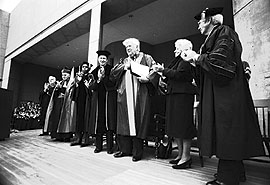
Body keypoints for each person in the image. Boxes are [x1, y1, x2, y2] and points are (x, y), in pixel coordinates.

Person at [181, 7, 265, 185]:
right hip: (222, 94)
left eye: (200, 21)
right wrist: (196, 63)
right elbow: (210, 67)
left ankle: (227, 179)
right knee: (228, 134)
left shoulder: (224, 32)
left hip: (226, 95)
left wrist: (196, 58)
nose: (198, 25)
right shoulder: (215, 36)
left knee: (227, 134)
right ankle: (236, 174)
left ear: (211, 20)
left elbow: (220, 65)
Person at [110, 38, 158, 162]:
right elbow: (113, 74)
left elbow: (155, 70)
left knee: (139, 122)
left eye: (130, 47)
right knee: (124, 122)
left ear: (138, 47)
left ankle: (137, 152)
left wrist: (148, 78)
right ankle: (125, 150)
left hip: (140, 95)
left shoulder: (147, 58)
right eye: (126, 48)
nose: (128, 49)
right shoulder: (124, 60)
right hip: (125, 96)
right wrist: (124, 67)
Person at [152, 39, 197, 169]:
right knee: (176, 126)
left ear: (184, 49)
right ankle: (180, 155)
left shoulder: (186, 59)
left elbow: (180, 75)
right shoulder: (177, 60)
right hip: (174, 94)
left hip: (183, 96)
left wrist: (163, 70)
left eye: (177, 48)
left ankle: (186, 156)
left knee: (183, 126)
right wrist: (162, 72)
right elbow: (171, 75)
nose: (174, 50)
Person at [88, 50, 117, 154]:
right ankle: (98, 146)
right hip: (98, 100)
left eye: (104, 58)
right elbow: (91, 87)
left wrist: (104, 78)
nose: (102, 60)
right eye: (101, 58)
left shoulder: (111, 70)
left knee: (109, 123)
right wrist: (98, 80)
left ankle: (110, 147)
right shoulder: (94, 72)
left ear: (107, 60)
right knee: (98, 123)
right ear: (98, 59)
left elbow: (113, 84)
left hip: (108, 99)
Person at [44, 67, 73, 141]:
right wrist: (55, 88)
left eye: (65, 75)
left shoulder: (71, 82)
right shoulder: (60, 83)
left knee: (65, 119)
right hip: (58, 103)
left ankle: (66, 136)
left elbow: (70, 92)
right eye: (63, 75)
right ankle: (57, 136)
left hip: (66, 103)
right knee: (57, 118)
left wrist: (61, 88)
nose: (63, 77)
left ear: (69, 75)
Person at [70, 62, 94, 147]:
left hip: (87, 100)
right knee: (78, 119)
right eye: (83, 67)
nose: (84, 68)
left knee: (86, 119)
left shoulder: (90, 76)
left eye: (86, 67)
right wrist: (77, 80)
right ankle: (78, 138)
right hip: (79, 99)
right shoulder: (78, 76)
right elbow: (74, 86)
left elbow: (91, 86)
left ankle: (85, 139)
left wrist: (85, 81)